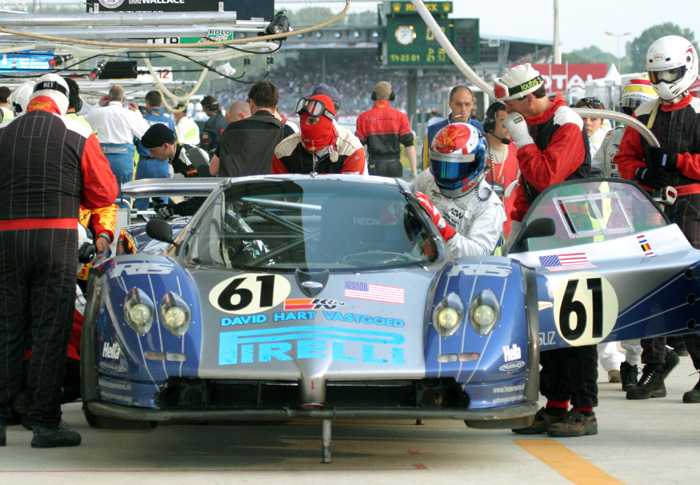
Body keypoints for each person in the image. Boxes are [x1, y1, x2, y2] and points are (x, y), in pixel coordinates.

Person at [0, 74, 118, 448]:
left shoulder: (3, 133)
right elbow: (105, 192)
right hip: (56, 239)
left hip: (5, 240)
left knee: (6, 328)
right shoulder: (78, 134)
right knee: (50, 331)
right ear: (65, 103)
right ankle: (45, 423)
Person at [496, 63, 596, 437]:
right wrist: (518, 226)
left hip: (574, 235)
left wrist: (523, 142)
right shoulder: (535, 123)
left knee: (578, 321)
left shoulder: (566, 122)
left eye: (511, 104)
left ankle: (585, 409)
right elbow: (529, 185)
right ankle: (555, 404)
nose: (508, 113)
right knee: (548, 323)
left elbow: (545, 176)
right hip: (541, 232)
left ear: (527, 97)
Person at [615, 35, 700, 403]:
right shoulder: (644, 114)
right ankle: (654, 365)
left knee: (692, 291)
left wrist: (676, 162)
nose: (663, 82)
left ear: (687, 67)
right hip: (652, 208)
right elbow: (624, 159)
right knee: (652, 290)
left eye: (669, 74)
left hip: (693, 208)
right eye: (656, 76)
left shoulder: (698, 110)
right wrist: (643, 173)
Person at [411, 122, 505, 258]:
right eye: (440, 165)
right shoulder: (428, 178)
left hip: (462, 269)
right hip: (421, 261)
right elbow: (403, 199)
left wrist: (442, 227)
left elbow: (478, 254)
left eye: (454, 169)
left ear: (476, 164)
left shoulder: (489, 205)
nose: (445, 175)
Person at [273, 94, 366, 175]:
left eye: (312, 121)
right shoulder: (283, 152)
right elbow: (280, 189)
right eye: (302, 121)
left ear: (328, 121)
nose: (305, 126)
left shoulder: (351, 150)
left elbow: (350, 189)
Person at [211, 81, 287, 177]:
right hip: (271, 185)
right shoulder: (285, 131)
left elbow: (213, 170)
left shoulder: (231, 130)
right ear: (275, 105)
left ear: (251, 103)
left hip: (237, 186)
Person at [85, 84, 149, 192]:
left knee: (103, 193)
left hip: (103, 159)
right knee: (123, 194)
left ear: (108, 98)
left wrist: (98, 105)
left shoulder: (99, 113)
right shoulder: (130, 115)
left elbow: (84, 123)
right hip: (123, 159)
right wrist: (137, 113)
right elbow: (145, 133)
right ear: (123, 99)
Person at [140, 124, 210, 218]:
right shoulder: (173, 157)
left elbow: (205, 197)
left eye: (153, 151)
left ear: (166, 146)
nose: (151, 155)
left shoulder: (191, 157)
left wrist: (174, 209)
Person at [356, 81, 417, 177]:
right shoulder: (400, 116)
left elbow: (359, 147)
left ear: (373, 95)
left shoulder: (363, 118)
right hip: (394, 166)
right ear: (391, 96)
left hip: (374, 166)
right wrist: (414, 171)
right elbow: (409, 145)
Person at [482, 101, 520, 239]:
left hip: (509, 230)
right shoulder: (478, 150)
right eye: (504, 123)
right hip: (482, 230)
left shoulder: (518, 152)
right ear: (490, 124)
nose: (509, 128)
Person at [422, 85, 483, 170]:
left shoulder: (481, 130)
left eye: (467, 104)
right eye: (458, 104)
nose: (463, 109)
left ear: (472, 105)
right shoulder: (433, 131)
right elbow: (426, 166)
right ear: (450, 104)